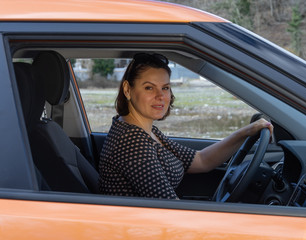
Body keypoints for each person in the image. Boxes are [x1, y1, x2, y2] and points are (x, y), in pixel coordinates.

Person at [98, 53, 273, 199]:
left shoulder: (144, 130)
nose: (161, 96)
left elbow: (200, 160)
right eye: (149, 88)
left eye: (165, 88)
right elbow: (171, 210)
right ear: (127, 89)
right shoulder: (132, 144)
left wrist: (246, 132)